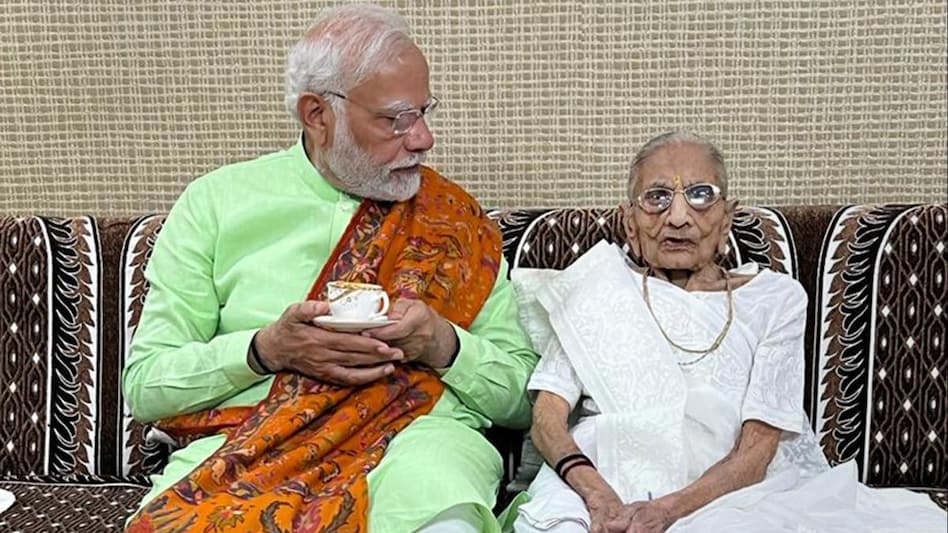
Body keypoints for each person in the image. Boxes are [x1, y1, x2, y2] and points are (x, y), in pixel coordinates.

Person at [122, 4, 537, 532]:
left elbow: (528, 400)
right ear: (317, 113)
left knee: (440, 513)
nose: (423, 139)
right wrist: (265, 350)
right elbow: (147, 386)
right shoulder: (215, 204)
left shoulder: (453, 221)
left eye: (425, 112)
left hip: (417, 444)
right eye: (396, 119)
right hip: (247, 451)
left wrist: (443, 345)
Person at [507, 132, 946, 532]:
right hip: (600, 480)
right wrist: (599, 497)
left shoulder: (774, 299)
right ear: (629, 223)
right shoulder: (599, 289)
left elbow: (757, 452)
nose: (678, 217)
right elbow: (548, 420)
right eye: (657, 197)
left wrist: (667, 511)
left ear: (727, 217)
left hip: (726, 493)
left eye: (700, 195)